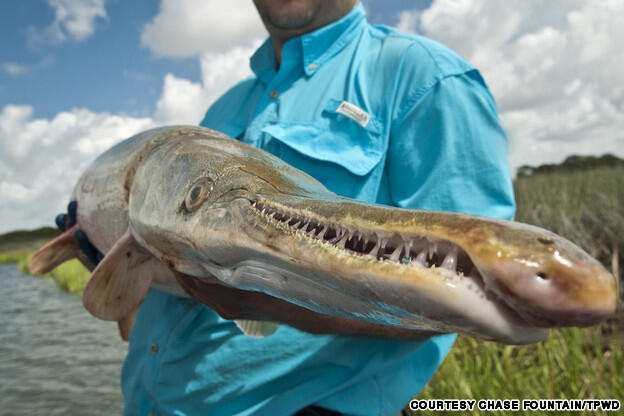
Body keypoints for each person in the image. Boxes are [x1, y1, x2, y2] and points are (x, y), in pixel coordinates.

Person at [63, 1, 516, 414]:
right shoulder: (227, 104)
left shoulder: (426, 77)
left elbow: (476, 293)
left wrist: (274, 304)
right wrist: (110, 258)